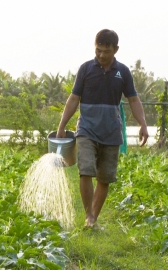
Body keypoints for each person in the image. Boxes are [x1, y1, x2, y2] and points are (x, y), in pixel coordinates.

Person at [56, 29, 148, 230]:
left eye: (106, 51)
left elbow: (133, 99)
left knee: (104, 177)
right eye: (98, 50)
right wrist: (61, 125)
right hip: (87, 130)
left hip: (111, 132)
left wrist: (143, 124)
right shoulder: (86, 69)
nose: (101, 55)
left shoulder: (122, 72)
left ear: (115, 49)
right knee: (85, 171)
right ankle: (88, 214)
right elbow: (73, 99)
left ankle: (92, 219)